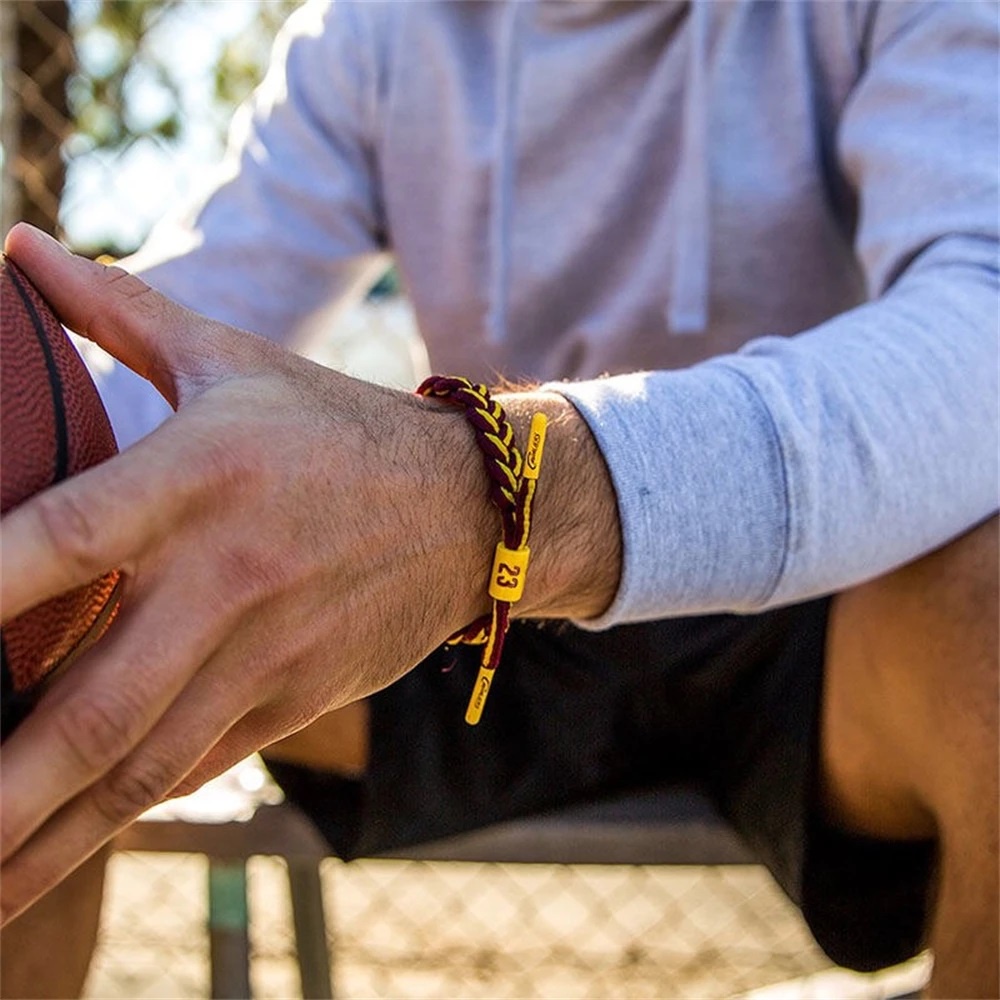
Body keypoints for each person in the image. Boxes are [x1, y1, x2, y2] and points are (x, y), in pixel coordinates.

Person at [1, 1, 997, 996]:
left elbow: (982, 319)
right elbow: (147, 366)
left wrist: (488, 491)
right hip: (463, 613)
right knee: (56, 562)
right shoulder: (377, 33)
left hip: (815, 606)